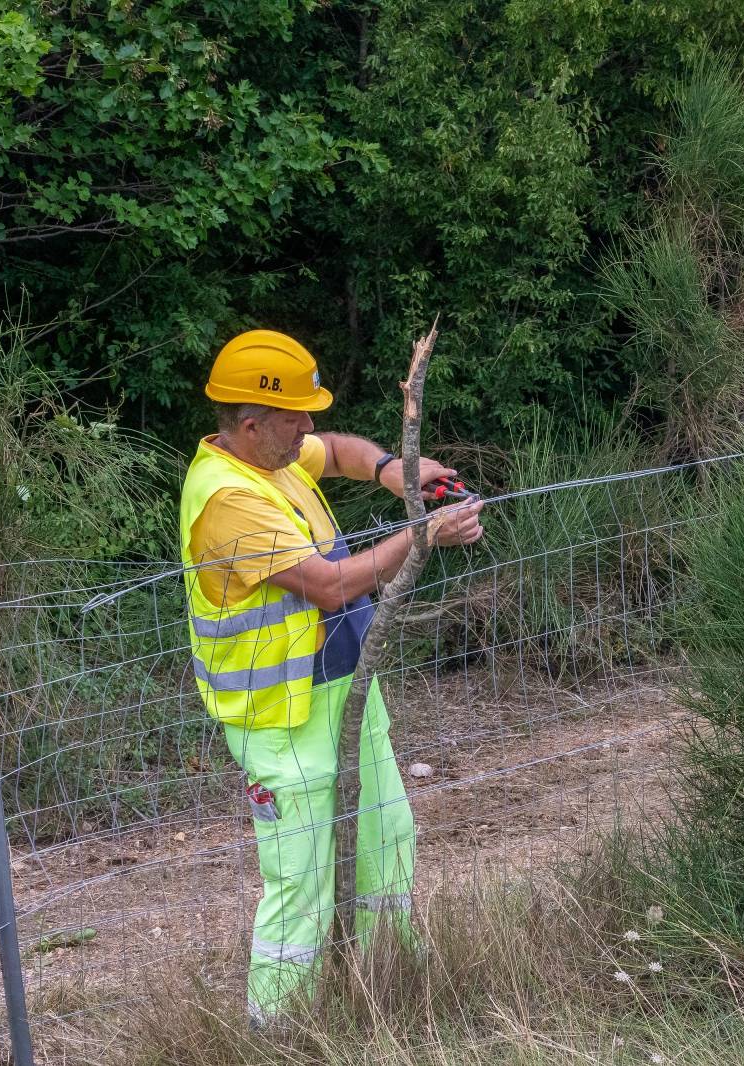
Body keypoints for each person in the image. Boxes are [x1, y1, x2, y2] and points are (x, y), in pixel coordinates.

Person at [177, 329, 484, 1024]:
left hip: (346, 695)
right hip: (280, 723)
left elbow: (342, 451)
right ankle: (280, 1032)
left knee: (387, 842)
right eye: (296, 419)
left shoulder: (273, 457)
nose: (308, 430)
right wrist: (427, 531)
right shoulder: (227, 496)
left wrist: (404, 474)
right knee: (303, 884)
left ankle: (391, 995)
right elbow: (329, 585)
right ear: (250, 425)